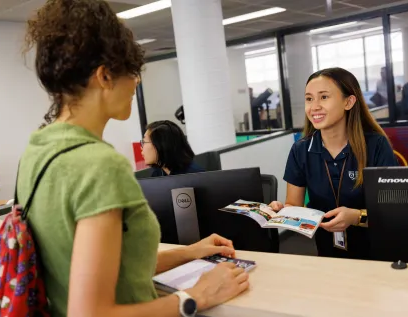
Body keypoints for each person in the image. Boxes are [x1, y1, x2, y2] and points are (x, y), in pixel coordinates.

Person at [18, 1, 249, 316]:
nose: (137, 81)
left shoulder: (36, 151)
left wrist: (190, 253)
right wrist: (197, 296)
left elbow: (108, 267)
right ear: (104, 77)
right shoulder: (100, 165)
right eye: (133, 71)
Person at [270, 67, 397, 260]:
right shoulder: (301, 150)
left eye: (324, 97)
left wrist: (355, 217)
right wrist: (282, 211)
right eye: (309, 99)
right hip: (327, 254)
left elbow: (392, 212)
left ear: (349, 101)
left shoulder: (376, 145)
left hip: (376, 255)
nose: (314, 107)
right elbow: (294, 205)